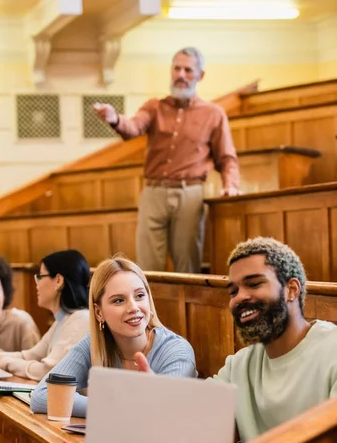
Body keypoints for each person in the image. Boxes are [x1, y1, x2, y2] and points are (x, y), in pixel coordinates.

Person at [93, 46, 240, 274]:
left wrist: (231, 185)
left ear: (200, 76)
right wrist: (115, 119)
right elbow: (133, 127)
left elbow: (227, 158)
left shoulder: (214, 113)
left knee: (187, 265)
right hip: (154, 193)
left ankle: (185, 311)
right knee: (147, 268)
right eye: (177, 68)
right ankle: (149, 310)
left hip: (190, 195)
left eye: (188, 70)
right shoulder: (154, 107)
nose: (181, 75)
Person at [30, 255, 196, 416]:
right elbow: (42, 396)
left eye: (139, 296)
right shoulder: (93, 344)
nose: (133, 307)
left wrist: (116, 406)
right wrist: (116, 406)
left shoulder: (177, 351)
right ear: (98, 312)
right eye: (118, 300)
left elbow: (162, 409)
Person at [213, 237, 337, 443]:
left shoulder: (331, 351)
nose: (240, 297)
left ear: (291, 290)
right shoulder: (239, 365)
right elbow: (197, 412)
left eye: (254, 284)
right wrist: (158, 395)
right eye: (233, 291)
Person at [0, 250, 90, 381]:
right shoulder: (61, 322)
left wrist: (6, 363)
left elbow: (51, 373)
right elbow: (29, 356)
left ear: (58, 280)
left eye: (39, 277)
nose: (36, 285)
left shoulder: (80, 320)